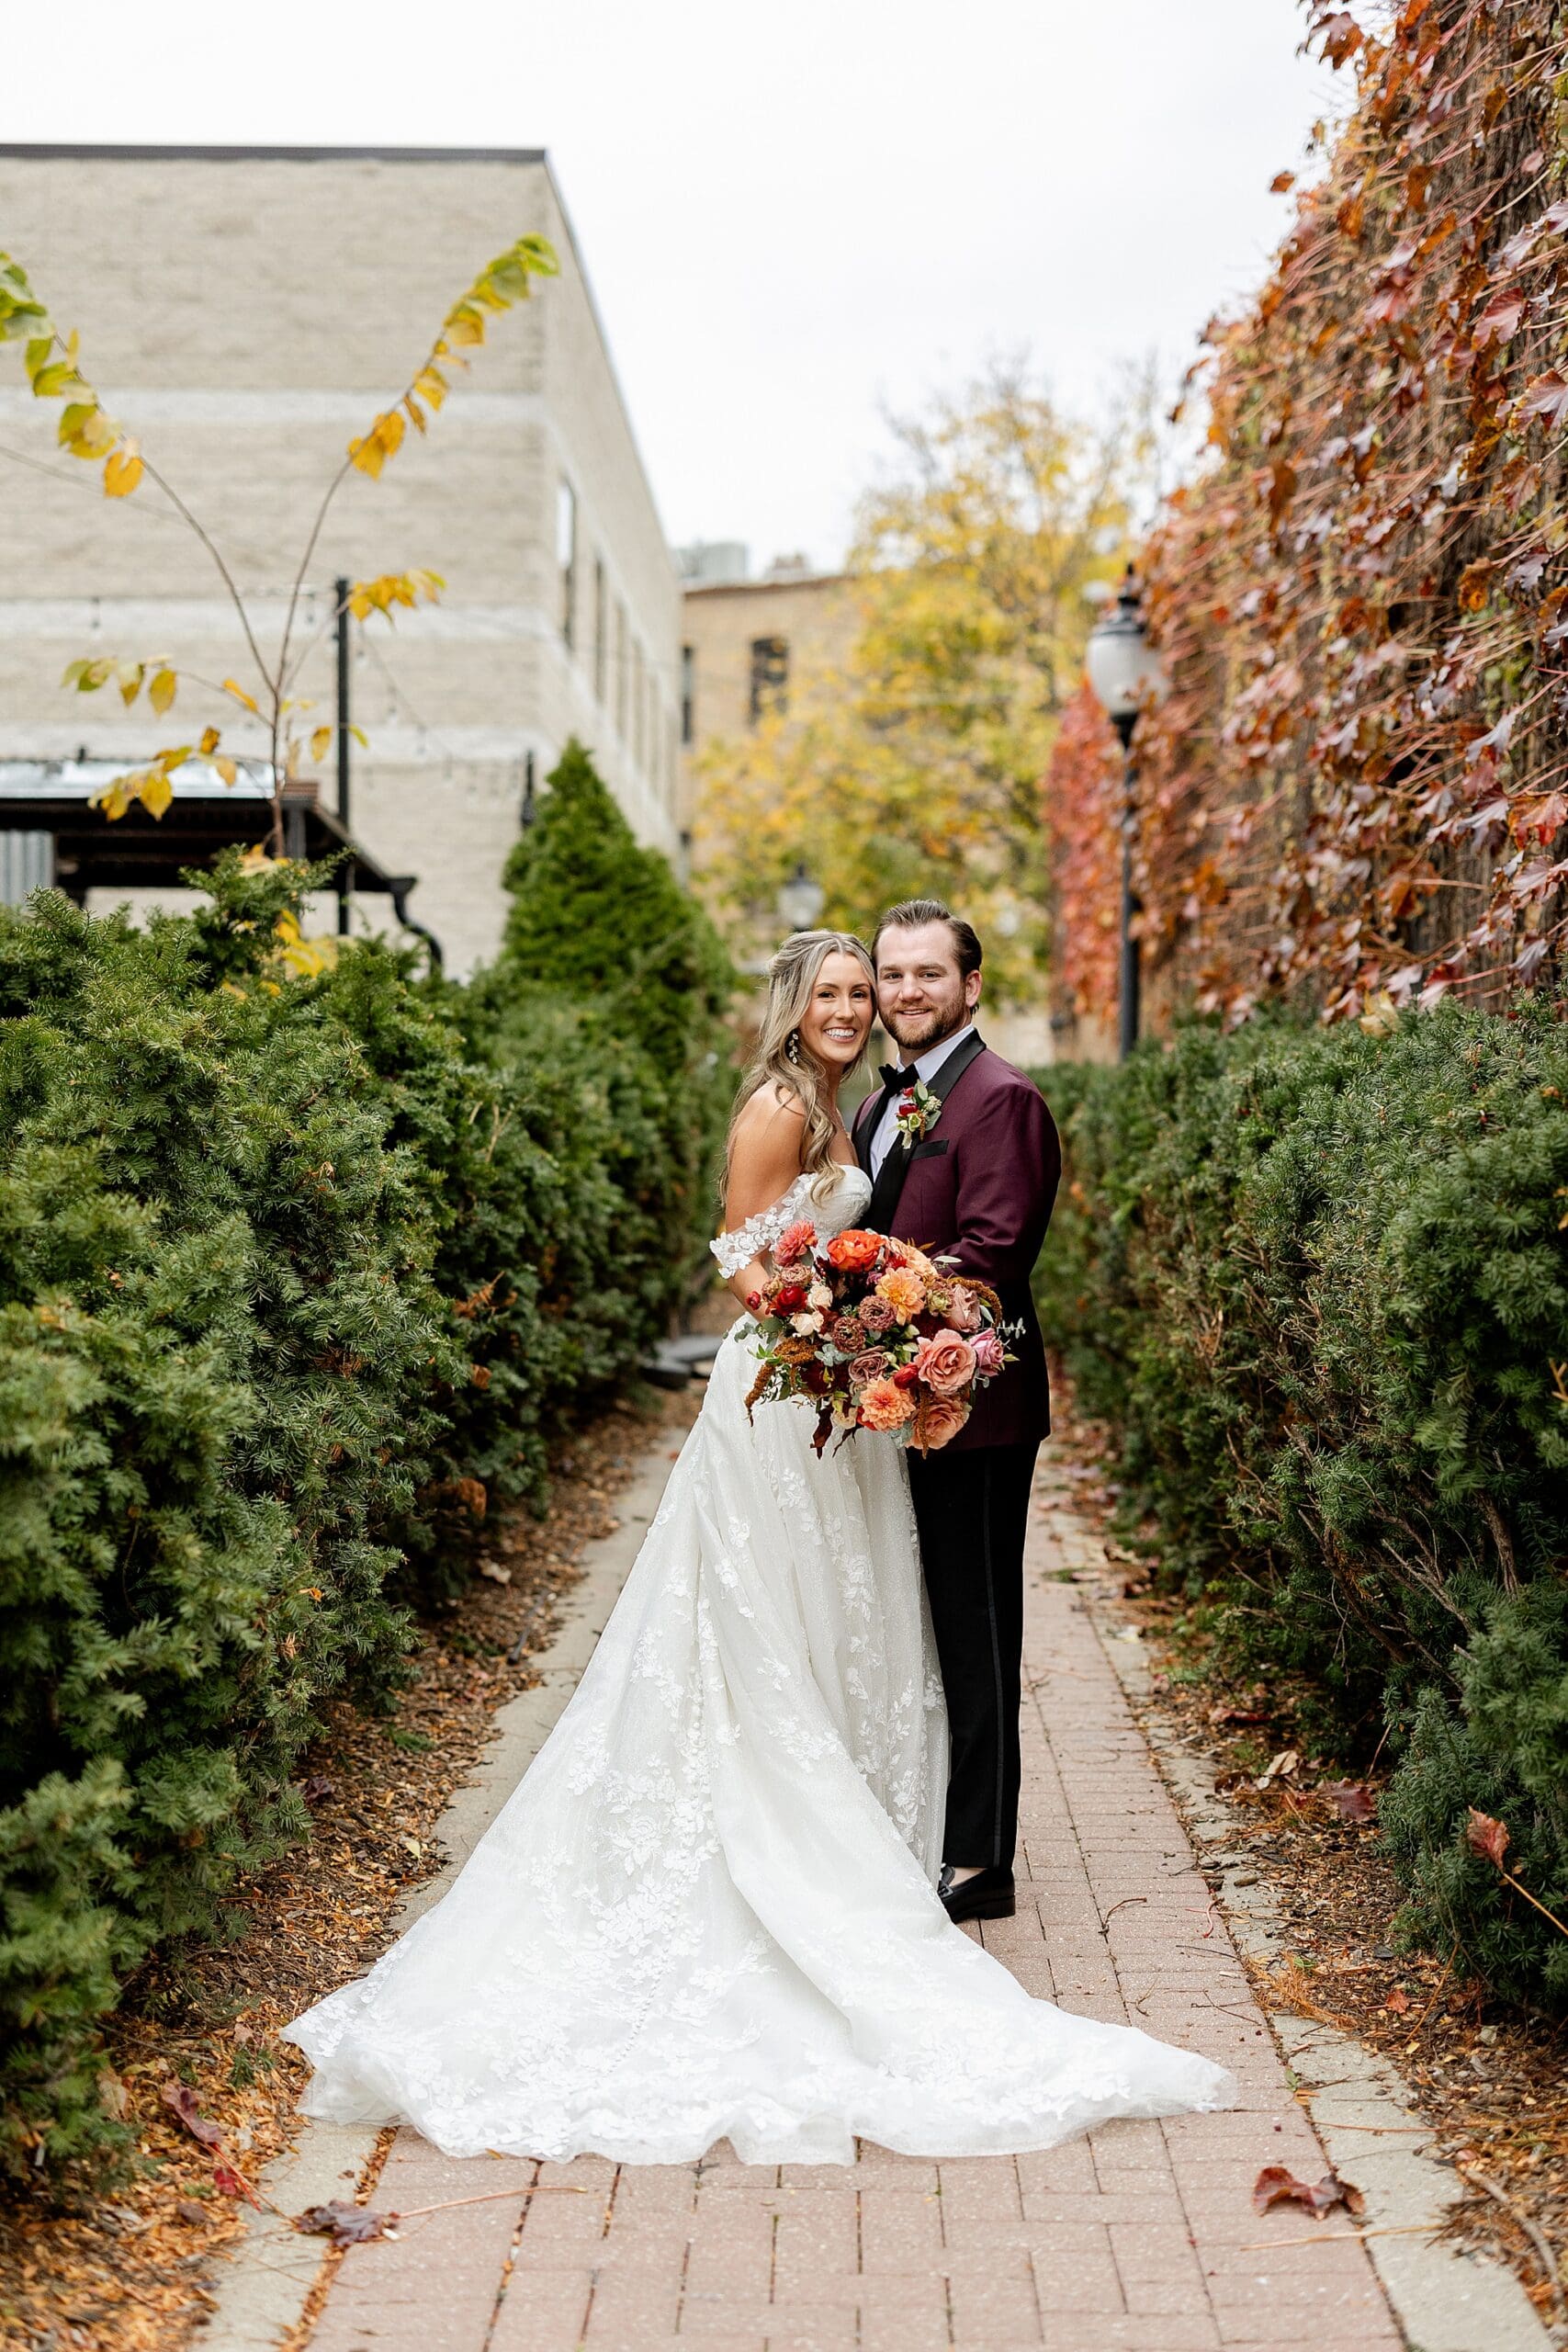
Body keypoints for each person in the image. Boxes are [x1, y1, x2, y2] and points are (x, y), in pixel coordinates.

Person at [284, 929, 1233, 2165]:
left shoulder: (933, 1101)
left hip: (862, 1400)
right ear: (800, 1004)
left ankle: (947, 1852)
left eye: (884, 984)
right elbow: (740, 1254)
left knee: (898, 1613)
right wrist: (830, 1331)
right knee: (763, 1617)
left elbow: (970, 1251)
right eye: (843, 988)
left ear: (959, 987)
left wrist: (864, 1328)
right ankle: (820, 1835)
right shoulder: (789, 1106)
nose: (867, 1003)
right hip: (787, 1396)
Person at [855, 899, 1055, 1926]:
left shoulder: (1001, 1099)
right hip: (899, 1407)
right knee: (914, 1620)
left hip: (977, 1409)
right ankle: (927, 1817)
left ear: (971, 986)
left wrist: (863, 1299)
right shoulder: (882, 1106)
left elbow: (992, 1256)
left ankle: (982, 1858)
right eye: (894, 974)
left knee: (977, 1630)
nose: (907, 992)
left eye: (929, 973)